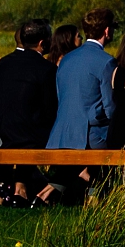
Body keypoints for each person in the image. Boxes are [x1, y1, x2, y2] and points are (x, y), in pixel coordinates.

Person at [48, 17, 115, 151]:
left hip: (60, 135)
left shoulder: (67, 59)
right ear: (106, 31)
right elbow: (110, 107)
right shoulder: (107, 61)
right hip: (90, 136)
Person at [0, 21, 58, 148]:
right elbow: (50, 109)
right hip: (31, 137)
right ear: (42, 43)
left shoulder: (4, 63)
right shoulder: (46, 69)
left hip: (2, 135)